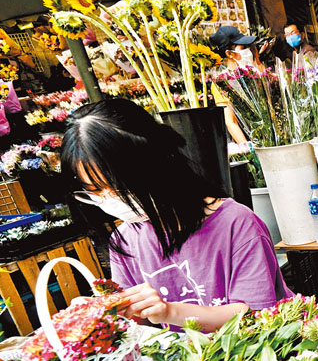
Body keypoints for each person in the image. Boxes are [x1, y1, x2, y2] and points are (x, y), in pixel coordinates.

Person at [61, 98, 290, 333]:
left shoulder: (237, 224)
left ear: (156, 166)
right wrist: (104, 313)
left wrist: (169, 312)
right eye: (95, 190)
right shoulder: (125, 239)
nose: (110, 199)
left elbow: (255, 315)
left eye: (118, 186)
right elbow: (134, 321)